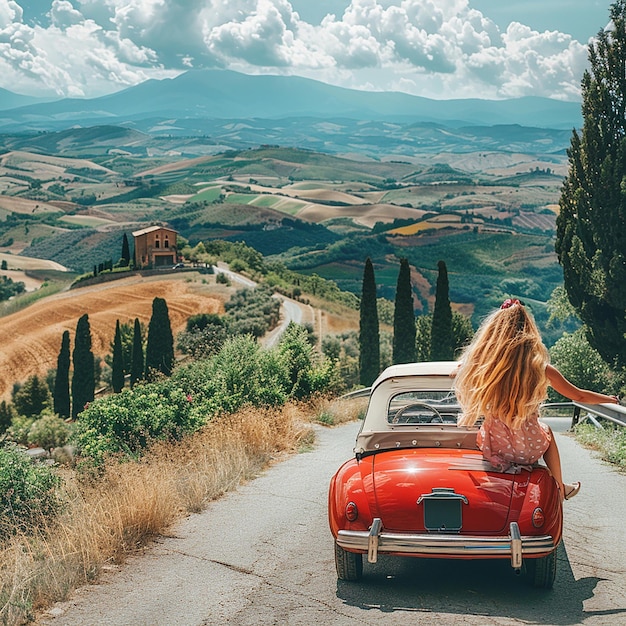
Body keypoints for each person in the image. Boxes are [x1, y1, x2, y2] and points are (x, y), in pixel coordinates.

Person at [454, 298, 620, 501]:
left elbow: (458, 372)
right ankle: (560, 487)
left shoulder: (486, 368)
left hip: (495, 447)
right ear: (529, 334)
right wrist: (610, 400)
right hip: (528, 448)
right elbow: (579, 395)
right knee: (548, 431)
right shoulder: (541, 369)